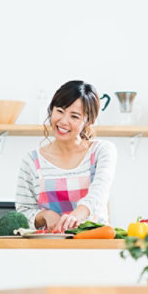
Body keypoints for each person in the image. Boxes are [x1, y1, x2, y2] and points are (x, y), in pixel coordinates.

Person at [15, 80, 117, 231]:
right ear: (51, 110)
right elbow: (23, 213)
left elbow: (98, 195)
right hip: (48, 247)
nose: (63, 121)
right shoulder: (31, 160)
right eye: (60, 111)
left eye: (74, 116)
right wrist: (46, 215)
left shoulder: (102, 151)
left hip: (93, 245)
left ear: (88, 121)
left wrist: (75, 216)